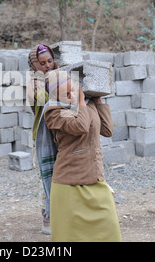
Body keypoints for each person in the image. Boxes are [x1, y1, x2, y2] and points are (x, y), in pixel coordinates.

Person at [43, 70, 122, 242]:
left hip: (94, 179)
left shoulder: (88, 104)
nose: (71, 95)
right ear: (55, 96)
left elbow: (107, 131)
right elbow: (80, 126)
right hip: (68, 185)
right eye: (66, 93)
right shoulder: (54, 112)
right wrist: (80, 101)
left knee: (110, 231)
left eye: (73, 89)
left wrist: (98, 101)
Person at [26, 43, 59, 235]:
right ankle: (47, 218)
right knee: (45, 179)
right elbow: (41, 98)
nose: (47, 65)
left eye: (50, 61)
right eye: (42, 63)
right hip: (42, 139)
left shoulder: (59, 75)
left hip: (60, 137)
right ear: (35, 65)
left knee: (60, 178)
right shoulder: (32, 82)